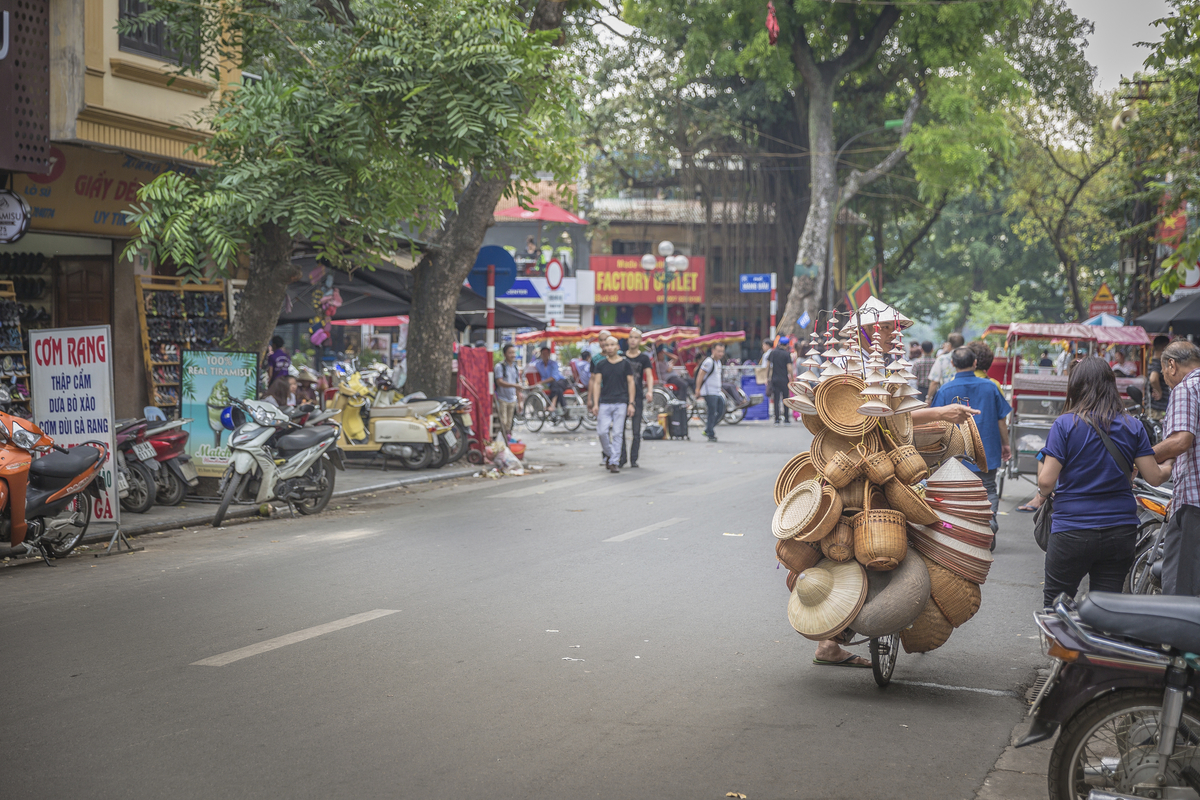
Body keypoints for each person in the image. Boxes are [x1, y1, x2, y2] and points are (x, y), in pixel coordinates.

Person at [1035, 357, 1172, 607]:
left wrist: (1042, 461)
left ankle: (1065, 647)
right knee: (1105, 609)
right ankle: (1097, 646)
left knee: (1056, 607)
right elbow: (1153, 476)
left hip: (1072, 530)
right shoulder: (1133, 425)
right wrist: (1170, 464)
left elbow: (1046, 483)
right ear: (1111, 384)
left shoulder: (1065, 424)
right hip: (1120, 531)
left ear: (1076, 386)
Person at [931, 346, 1011, 541]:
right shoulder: (991, 386)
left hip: (955, 453)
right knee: (989, 489)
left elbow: (935, 423)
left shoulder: (945, 389)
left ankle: (963, 534)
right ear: (975, 363)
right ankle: (988, 527)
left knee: (958, 492)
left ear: (952, 364)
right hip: (989, 447)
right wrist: (1006, 444)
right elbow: (1002, 419)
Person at [1153, 341, 1200, 594]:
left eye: (1163, 373)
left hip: (1195, 506)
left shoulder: (1186, 388)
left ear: (1171, 365)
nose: (1165, 380)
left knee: (1181, 590)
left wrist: (1143, 457)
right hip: (1190, 496)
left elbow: (1181, 440)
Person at [589, 336, 635, 473]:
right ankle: (610, 454)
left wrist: (631, 403)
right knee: (602, 432)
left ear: (617, 347)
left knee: (618, 433)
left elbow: (631, 383)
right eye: (607, 345)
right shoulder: (601, 365)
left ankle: (614, 461)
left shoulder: (625, 364)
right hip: (605, 402)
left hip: (621, 401)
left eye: (612, 345)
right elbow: (597, 383)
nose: (609, 347)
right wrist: (595, 403)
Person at [620, 329, 655, 468]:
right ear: (627, 340)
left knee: (636, 430)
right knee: (619, 429)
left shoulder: (644, 358)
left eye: (636, 337)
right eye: (631, 337)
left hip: (638, 396)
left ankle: (634, 458)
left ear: (640, 341)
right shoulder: (621, 357)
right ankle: (622, 458)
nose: (633, 340)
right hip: (622, 396)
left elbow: (649, 375)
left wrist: (650, 391)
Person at [694, 343, 726, 443]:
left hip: (717, 391)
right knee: (712, 412)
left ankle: (708, 428)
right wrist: (698, 389)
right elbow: (700, 375)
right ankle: (710, 433)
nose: (721, 354)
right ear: (713, 351)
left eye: (722, 351)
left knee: (721, 410)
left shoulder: (718, 362)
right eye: (718, 351)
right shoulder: (709, 362)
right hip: (709, 392)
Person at [533, 346, 570, 422]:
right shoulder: (538, 364)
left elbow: (554, 377)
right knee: (558, 389)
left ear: (549, 354)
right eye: (543, 354)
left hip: (560, 381)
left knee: (555, 384)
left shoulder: (553, 364)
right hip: (551, 385)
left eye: (546, 354)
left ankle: (553, 404)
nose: (545, 355)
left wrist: (542, 382)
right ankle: (564, 409)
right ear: (541, 354)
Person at [494, 344, 522, 438]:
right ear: (505, 354)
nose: (513, 355)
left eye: (514, 352)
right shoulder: (500, 367)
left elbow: (517, 386)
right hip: (502, 398)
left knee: (509, 424)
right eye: (510, 352)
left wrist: (520, 402)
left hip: (512, 399)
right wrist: (514, 385)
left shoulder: (515, 367)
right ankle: (501, 440)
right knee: (503, 422)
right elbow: (499, 382)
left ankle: (507, 441)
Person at [925, 332, 965, 399]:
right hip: (964, 395)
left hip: (947, 395)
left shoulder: (942, 359)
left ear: (949, 345)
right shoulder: (968, 357)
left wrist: (928, 398)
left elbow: (934, 381)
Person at [767, 336, 793, 425]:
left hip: (775, 379)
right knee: (785, 399)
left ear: (779, 343)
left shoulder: (773, 353)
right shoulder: (787, 354)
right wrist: (792, 379)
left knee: (776, 399)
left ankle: (777, 419)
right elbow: (789, 368)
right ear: (787, 345)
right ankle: (786, 418)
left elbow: (768, 365)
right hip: (784, 379)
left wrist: (768, 377)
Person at [1148, 335, 1171, 419]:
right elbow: (1153, 378)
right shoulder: (1158, 362)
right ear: (1164, 347)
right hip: (1159, 409)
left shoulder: (1152, 361)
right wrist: (1159, 392)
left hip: (1155, 407)